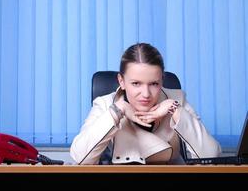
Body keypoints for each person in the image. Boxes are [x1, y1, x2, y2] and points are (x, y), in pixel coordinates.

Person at [70, 43, 221, 165]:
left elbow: (211, 155)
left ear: (162, 80)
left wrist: (175, 110)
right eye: (136, 83)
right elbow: (80, 157)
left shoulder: (176, 99)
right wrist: (119, 109)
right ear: (121, 81)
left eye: (154, 84)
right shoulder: (105, 103)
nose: (146, 94)